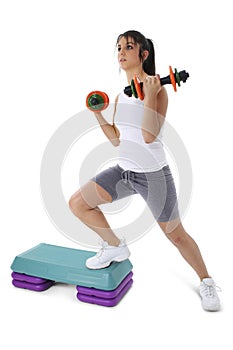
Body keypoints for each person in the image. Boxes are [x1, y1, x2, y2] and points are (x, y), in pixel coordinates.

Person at [69, 30, 221, 311]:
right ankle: (115, 246)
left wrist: (149, 95)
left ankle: (206, 281)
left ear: (144, 54)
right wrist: (99, 115)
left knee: (176, 235)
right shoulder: (121, 95)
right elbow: (117, 139)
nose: (122, 52)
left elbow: (149, 136)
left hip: (153, 175)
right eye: (119, 48)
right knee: (78, 203)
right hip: (124, 172)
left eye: (129, 46)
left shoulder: (159, 91)